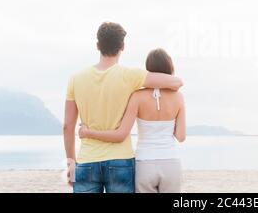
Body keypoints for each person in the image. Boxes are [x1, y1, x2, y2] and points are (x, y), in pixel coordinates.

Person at [63, 22, 183, 193]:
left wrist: (70, 162)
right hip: (120, 161)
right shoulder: (130, 75)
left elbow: (67, 126)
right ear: (123, 47)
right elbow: (176, 82)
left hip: (87, 160)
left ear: (97, 46)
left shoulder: (75, 79)